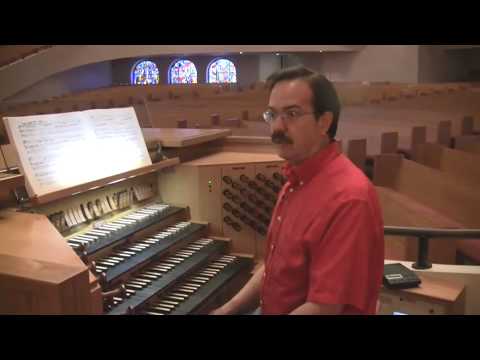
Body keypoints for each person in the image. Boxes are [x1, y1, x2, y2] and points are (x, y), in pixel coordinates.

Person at [211, 66, 384, 315]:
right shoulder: (296, 178)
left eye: (291, 114)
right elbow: (275, 268)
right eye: (272, 115)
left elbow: (324, 307)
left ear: (324, 122)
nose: (277, 127)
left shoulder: (349, 198)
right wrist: (230, 308)